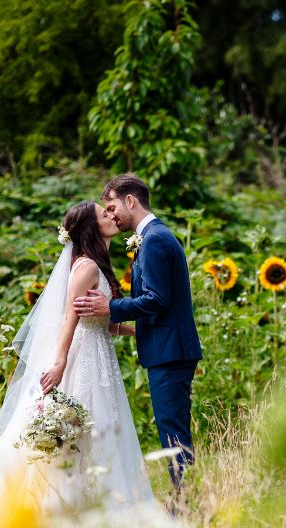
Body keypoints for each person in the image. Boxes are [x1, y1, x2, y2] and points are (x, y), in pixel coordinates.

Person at [0, 201, 158, 528]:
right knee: (82, 431)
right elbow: (70, 319)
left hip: (98, 353)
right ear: (91, 227)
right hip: (80, 359)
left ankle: (90, 514)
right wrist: (60, 362)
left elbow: (100, 321)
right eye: (103, 213)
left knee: (100, 430)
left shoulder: (98, 265)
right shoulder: (86, 267)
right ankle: (56, 515)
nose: (111, 215)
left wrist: (137, 331)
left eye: (110, 210)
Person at [74, 174, 202, 495]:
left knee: (173, 437)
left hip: (170, 353)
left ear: (131, 201)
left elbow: (158, 300)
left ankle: (183, 506)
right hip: (168, 351)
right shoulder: (152, 237)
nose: (112, 214)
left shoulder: (155, 239)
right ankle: (183, 502)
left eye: (113, 205)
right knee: (172, 433)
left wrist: (111, 307)